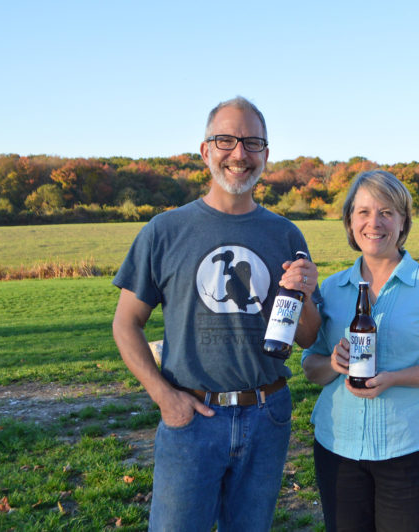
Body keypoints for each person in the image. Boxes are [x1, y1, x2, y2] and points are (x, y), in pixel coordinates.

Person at [111, 96, 321, 531]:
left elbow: (306, 336)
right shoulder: (164, 231)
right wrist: (165, 399)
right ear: (205, 151)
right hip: (191, 419)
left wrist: (305, 293)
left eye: (252, 142)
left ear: (266, 154)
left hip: (268, 415)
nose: (239, 153)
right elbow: (126, 323)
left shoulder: (285, 233)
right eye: (225, 140)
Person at [301, 170, 419, 532]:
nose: (373, 223)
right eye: (363, 212)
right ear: (350, 221)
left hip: (410, 450)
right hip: (339, 451)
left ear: (403, 221)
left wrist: (394, 378)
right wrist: (333, 363)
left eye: (386, 212)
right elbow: (311, 368)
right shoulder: (331, 290)